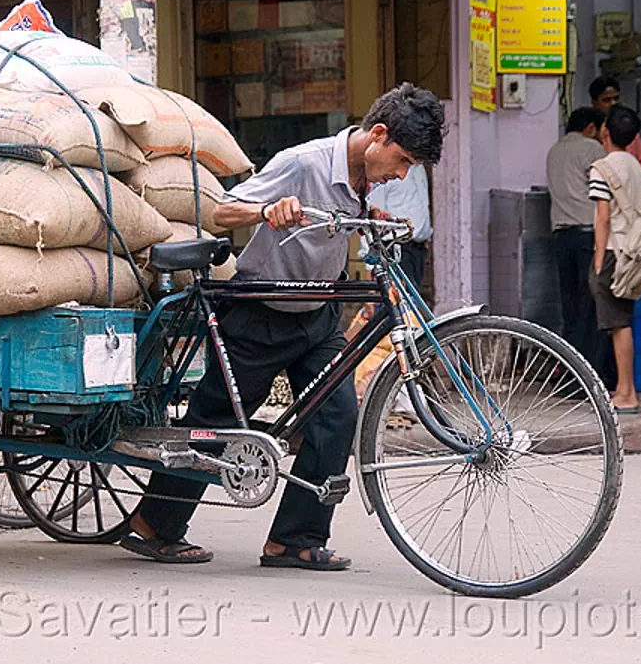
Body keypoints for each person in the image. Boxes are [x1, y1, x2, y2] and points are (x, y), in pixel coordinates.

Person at [120, 83, 445, 571]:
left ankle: (294, 540)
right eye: (402, 161)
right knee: (217, 425)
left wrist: (370, 217)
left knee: (336, 419)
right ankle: (153, 525)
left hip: (317, 314)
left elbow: (330, 223)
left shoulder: (363, 180)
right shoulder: (305, 163)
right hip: (263, 312)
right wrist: (267, 211)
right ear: (377, 136)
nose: (401, 173)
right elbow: (222, 210)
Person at [546, 107, 614, 384]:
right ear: (590, 128)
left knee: (571, 310)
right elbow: (607, 189)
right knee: (593, 309)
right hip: (589, 236)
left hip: (562, 237)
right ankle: (592, 377)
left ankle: (568, 378)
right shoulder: (591, 149)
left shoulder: (554, 150)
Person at [588, 106, 641, 414]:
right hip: (634, 251)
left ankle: (626, 393)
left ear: (605, 132)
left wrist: (598, 260)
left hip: (614, 252)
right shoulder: (637, 167)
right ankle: (627, 389)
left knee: (618, 324)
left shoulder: (603, 167)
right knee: (623, 321)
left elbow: (603, 217)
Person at [364, 163, 431, 291]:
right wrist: (369, 266)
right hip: (394, 246)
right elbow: (371, 219)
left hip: (418, 248)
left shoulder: (419, 168)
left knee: (411, 300)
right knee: (399, 299)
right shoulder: (387, 172)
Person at [590, 76, 641, 171]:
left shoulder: (629, 128)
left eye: (616, 98)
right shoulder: (591, 131)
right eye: (607, 100)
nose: (613, 103)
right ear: (595, 103)